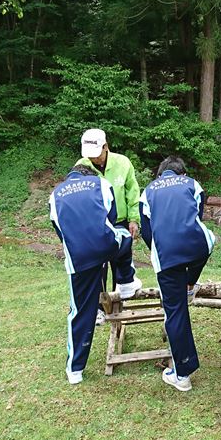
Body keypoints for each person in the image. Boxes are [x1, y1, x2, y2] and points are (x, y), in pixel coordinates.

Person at [49, 165, 142, 385]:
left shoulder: (55, 195)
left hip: (78, 258)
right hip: (104, 244)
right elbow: (111, 217)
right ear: (89, 175)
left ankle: (75, 370)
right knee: (124, 235)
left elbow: (60, 231)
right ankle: (126, 282)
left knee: (80, 312)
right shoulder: (101, 183)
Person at [139, 156, 215, 392]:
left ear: (160, 174)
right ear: (182, 173)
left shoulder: (147, 192)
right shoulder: (192, 184)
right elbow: (197, 216)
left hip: (167, 256)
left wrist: (159, 249)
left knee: (175, 312)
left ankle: (182, 374)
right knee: (206, 245)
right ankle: (190, 284)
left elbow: (146, 231)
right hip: (197, 247)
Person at [75, 129, 142, 325]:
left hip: (120, 221)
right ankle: (98, 308)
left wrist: (134, 219)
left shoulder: (123, 163)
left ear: (106, 146)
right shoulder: (81, 166)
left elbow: (132, 191)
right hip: (95, 224)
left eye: (96, 154)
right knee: (97, 265)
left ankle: (118, 301)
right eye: (90, 155)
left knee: (121, 260)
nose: (93, 159)